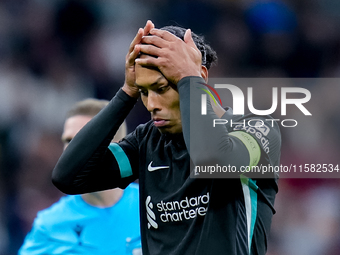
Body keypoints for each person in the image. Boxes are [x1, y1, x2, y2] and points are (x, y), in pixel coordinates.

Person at [52, 20, 281, 255]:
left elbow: (212, 160)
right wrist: (126, 93)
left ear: (199, 76)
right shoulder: (147, 142)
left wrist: (189, 79)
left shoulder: (255, 129)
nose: (152, 105)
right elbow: (69, 177)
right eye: (144, 92)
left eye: (161, 88)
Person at [19, 99, 141, 255]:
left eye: (83, 140)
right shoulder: (50, 226)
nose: (72, 152)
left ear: (117, 146)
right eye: (68, 141)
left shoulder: (153, 205)